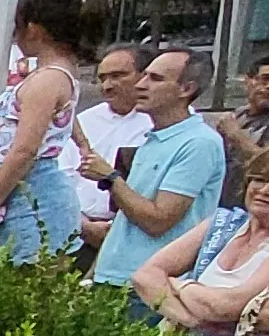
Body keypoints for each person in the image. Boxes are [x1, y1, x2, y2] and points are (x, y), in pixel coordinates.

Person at [0, 0, 100, 263]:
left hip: (33, 197)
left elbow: (25, 150)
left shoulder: (46, 81)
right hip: (32, 193)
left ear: (33, 29)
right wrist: (83, 143)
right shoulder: (60, 74)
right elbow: (63, 116)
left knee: (29, 281)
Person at [89, 49, 230, 300]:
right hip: (112, 279)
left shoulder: (199, 143)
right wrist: (94, 274)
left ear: (186, 88)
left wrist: (110, 178)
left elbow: (158, 221)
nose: (140, 85)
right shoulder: (155, 138)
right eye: (144, 75)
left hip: (149, 287)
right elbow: (125, 219)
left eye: (155, 78)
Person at [130, 148, 269, 336]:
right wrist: (192, 321)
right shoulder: (225, 223)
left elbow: (228, 306)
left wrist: (180, 285)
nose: (264, 190)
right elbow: (145, 276)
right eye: (259, 179)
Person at [63, 46, 146, 252]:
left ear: (144, 76)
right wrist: (84, 225)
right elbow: (62, 178)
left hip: (137, 234)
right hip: (78, 232)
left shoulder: (161, 124)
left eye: (117, 76)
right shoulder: (85, 121)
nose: (107, 86)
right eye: (102, 78)